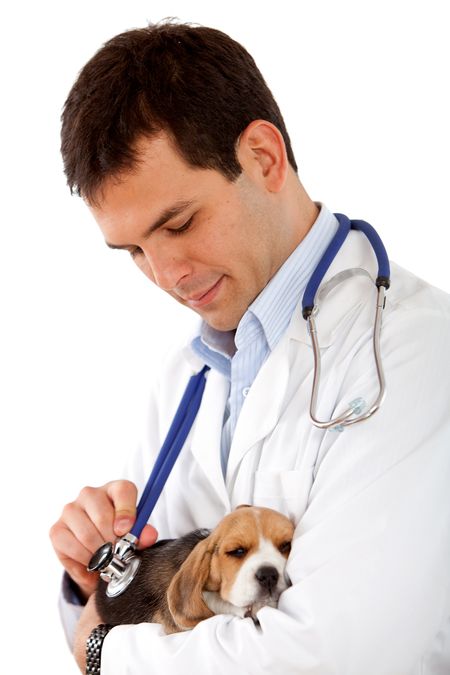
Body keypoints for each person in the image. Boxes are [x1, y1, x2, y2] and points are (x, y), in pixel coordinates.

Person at [49, 20, 450, 675]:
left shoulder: (416, 350)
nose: (167, 274)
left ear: (264, 157)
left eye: (179, 223)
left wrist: (101, 649)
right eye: (134, 252)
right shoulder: (186, 380)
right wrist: (97, 569)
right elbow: (145, 606)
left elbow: (336, 655)